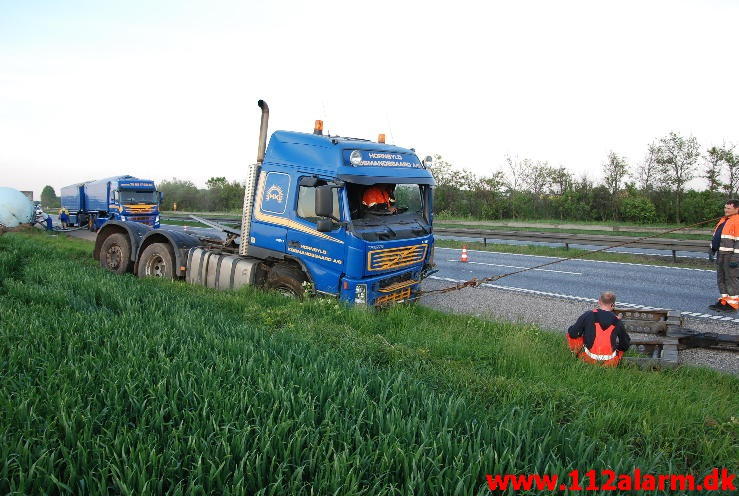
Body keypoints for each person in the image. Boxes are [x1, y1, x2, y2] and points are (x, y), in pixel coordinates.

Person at [567, 292, 631, 367]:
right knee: (620, 349)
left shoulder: (588, 315)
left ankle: (575, 354)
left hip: (588, 358)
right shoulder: (617, 321)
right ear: (613, 305)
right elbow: (625, 344)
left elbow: (573, 333)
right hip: (610, 362)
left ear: (599, 302)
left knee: (570, 335)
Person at [709, 199, 739, 312]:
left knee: (731, 279)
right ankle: (724, 301)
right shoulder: (724, 220)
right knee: (721, 278)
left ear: (737, 209)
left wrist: (736, 258)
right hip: (721, 254)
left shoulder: (737, 221)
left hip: (731, 255)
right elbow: (716, 237)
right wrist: (712, 249)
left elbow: (738, 241)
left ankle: (733, 304)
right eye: (725, 208)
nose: (726, 210)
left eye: (729, 208)